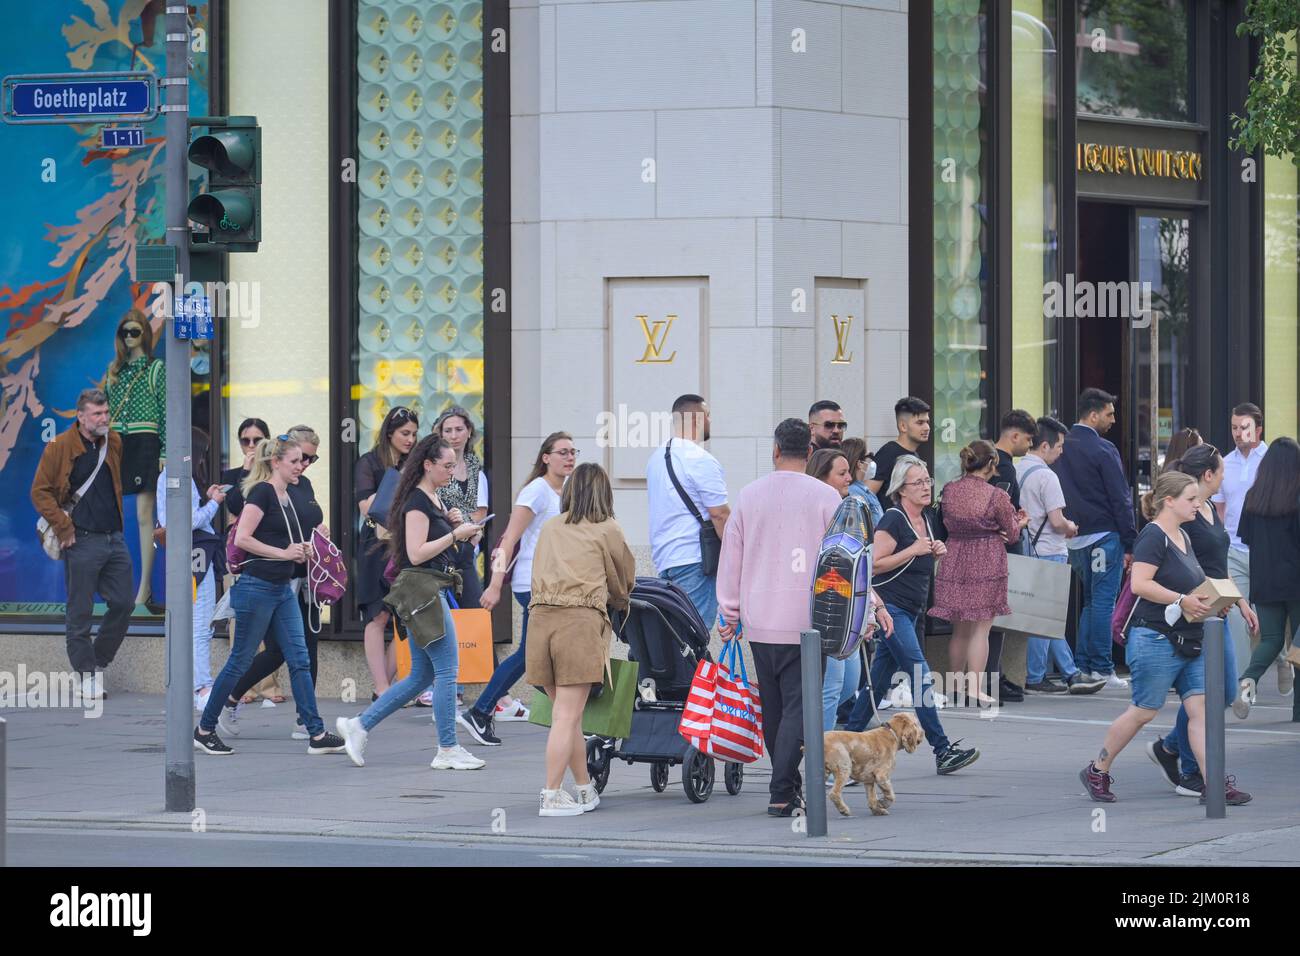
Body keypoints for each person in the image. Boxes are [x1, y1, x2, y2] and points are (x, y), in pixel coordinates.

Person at [1080, 471, 1251, 806]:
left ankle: (1213, 783)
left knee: (1201, 710)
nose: (1197, 504)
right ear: (1169, 501)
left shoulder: (1183, 536)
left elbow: (1194, 582)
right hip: (1155, 637)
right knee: (1144, 711)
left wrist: (1213, 602)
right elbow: (1140, 584)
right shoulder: (1153, 536)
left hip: (1190, 636)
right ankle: (1097, 769)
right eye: (1190, 499)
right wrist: (1181, 600)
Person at [717, 419, 846, 817]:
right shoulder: (826, 496)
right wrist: (864, 607)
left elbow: (731, 556)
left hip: (759, 616)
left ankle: (785, 786)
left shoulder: (749, 495)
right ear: (810, 453)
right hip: (809, 619)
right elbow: (843, 557)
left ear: (775, 451)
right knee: (799, 707)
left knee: (773, 706)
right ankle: (781, 789)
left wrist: (730, 610)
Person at [335, 436, 487, 770]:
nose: (452, 470)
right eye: (446, 465)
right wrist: (452, 534)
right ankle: (447, 748)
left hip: (425, 589)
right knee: (447, 669)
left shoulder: (430, 498)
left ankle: (359, 725)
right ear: (427, 464)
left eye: (453, 465)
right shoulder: (417, 502)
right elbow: (417, 553)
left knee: (421, 675)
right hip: (423, 589)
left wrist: (458, 528)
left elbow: (438, 548)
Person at [194, 436, 345, 756]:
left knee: (300, 658)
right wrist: (284, 552)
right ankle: (205, 729)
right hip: (257, 587)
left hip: (281, 589)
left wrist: (304, 548)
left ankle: (315, 732)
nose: (300, 467)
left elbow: (287, 538)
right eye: (294, 461)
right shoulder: (261, 492)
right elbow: (244, 538)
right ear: (276, 462)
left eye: (302, 461)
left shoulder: (288, 495)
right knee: (240, 660)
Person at [844, 456, 980, 774]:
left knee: (877, 684)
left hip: (912, 609)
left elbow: (915, 561)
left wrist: (934, 551)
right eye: (917, 482)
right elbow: (873, 564)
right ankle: (942, 750)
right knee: (920, 675)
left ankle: (844, 741)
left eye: (927, 481)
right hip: (890, 609)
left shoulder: (926, 517)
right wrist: (913, 550)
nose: (925, 487)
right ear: (901, 489)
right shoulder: (893, 519)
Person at [1146, 444, 1259, 795]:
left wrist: (1239, 600)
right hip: (1198, 613)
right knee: (1205, 694)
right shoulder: (1187, 514)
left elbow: (1217, 566)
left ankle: (1170, 749)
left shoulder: (1208, 508)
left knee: (1221, 690)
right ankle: (1192, 772)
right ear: (1208, 475)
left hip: (1218, 608)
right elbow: (1181, 568)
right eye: (1222, 471)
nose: (1225, 476)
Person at [525, 462, 637, 816]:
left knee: (566, 715)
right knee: (567, 716)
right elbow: (622, 582)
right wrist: (619, 603)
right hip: (579, 624)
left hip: (541, 622)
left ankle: (585, 789)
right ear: (605, 492)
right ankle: (552, 794)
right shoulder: (608, 529)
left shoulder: (550, 527)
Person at [458, 432, 577, 746]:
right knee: (529, 653)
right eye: (562, 452)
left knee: (538, 653)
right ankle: (482, 711)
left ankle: (562, 716)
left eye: (573, 452)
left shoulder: (566, 491)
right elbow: (508, 540)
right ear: (545, 457)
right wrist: (495, 585)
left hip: (554, 584)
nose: (569, 457)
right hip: (532, 583)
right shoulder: (536, 491)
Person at [224, 425, 329, 737]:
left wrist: (319, 532)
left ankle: (306, 721)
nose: (305, 465)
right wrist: (247, 468)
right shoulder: (265, 487)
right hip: (268, 579)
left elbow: (307, 520)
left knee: (305, 649)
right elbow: (237, 510)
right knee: (271, 652)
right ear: (284, 458)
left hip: (301, 577)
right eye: (301, 458)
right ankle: (223, 703)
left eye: (311, 459)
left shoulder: (303, 484)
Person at [30, 388, 133, 700]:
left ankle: (97, 660)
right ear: (81, 416)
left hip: (114, 537)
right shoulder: (60, 446)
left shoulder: (113, 441)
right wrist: (63, 527)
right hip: (81, 538)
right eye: (97, 414)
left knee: (124, 603)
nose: (104, 419)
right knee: (80, 611)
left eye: (106, 413)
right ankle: (86, 675)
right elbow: (40, 492)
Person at [1053, 388, 1136, 689]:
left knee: (1090, 601)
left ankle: (1086, 665)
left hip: (1074, 538)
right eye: (1109, 413)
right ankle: (1101, 667)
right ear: (1093, 414)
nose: (1113, 420)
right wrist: (1130, 539)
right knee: (1102, 601)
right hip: (1104, 535)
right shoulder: (1103, 449)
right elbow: (1121, 499)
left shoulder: (1061, 447)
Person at [930, 440, 1022, 706]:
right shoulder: (996, 495)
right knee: (981, 629)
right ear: (992, 463)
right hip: (986, 557)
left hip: (955, 554)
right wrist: (1019, 521)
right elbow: (1012, 533)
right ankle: (975, 689)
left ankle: (955, 686)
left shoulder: (949, 490)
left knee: (960, 629)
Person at [1016, 417, 1104, 695]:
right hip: (1050, 551)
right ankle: (1039, 675)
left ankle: (1069, 673)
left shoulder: (1018, 470)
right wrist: (1071, 527)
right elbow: (1056, 520)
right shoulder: (1047, 476)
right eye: (1060, 446)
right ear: (1045, 445)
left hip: (1028, 549)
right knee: (1045, 617)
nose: (1062, 452)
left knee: (1043, 616)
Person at [430, 406, 500, 712]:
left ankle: (494, 692)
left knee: (473, 616)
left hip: (465, 551)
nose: (454, 435)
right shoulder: (432, 470)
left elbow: (480, 515)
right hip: (438, 549)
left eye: (459, 429)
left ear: (469, 432)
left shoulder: (475, 469)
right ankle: (449, 689)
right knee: (444, 620)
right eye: (448, 430)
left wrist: (470, 531)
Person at [156, 428, 228, 713]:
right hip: (197, 555)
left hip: (188, 556)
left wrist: (207, 497)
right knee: (201, 621)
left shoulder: (169, 477)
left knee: (194, 620)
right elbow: (188, 520)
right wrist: (214, 503)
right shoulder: (178, 478)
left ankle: (193, 684)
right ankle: (202, 685)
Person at [1212, 403, 1283, 693]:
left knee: (1268, 619)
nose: (1238, 433)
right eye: (1234, 427)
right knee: (1236, 616)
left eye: (1245, 427)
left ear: (1258, 430)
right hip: (1233, 550)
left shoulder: (1272, 461)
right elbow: (1220, 510)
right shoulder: (1224, 463)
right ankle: (1244, 683)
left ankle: (1281, 659)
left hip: (1267, 552)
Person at [646, 394, 729, 630]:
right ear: (697, 419)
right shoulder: (701, 459)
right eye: (709, 416)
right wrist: (739, 557)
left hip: (666, 561)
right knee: (693, 638)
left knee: (675, 639)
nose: (711, 421)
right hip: (696, 561)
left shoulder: (656, 459)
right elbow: (720, 514)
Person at [1232, 437, 1300, 722]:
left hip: (1264, 579)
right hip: (1295, 581)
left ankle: (1248, 680)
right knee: (1297, 646)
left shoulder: (1254, 496)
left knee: (1270, 639)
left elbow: (1246, 538)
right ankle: (1298, 711)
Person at [354, 406, 420, 698]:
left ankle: (386, 686)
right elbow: (366, 506)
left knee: (403, 617)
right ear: (389, 432)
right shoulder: (369, 462)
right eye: (405, 433)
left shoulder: (416, 465)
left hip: (405, 544)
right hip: (375, 545)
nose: (410, 439)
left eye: (414, 434)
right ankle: (381, 686)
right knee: (377, 616)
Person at [103, 310, 165, 606]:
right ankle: (111, 584)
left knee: (144, 515)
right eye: (124, 332)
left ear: (144, 333)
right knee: (109, 513)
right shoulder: (114, 371)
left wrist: (164, 452)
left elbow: (165, 412)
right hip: (117, 442)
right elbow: (104, 414)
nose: (129, 337)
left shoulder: (156, 368)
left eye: (134, 331)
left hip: (145, 442)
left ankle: (145, 587)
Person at [808, 448, 867, 733]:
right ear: (822, 478)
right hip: (830, 611)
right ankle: (822, 761)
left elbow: (858, 566)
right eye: (842, 473)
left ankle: (812, 740)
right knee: (831, 687)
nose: (849, 479)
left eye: (849, 472)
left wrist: (871, 609)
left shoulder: (848, 508)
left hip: (849, 611)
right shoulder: (819, 507)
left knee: (847, 684)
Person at [988, 409, 1036, 702]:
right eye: (1028, 439)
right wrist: (1017, 523)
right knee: (995, 619)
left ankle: (993, 675)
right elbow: (998, 512)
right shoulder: (1003, 468)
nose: (1029, 446)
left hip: (988, 549)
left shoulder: (992, 464)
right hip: (1001, 551)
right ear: (1014, 435)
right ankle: (993, 677)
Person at [867, 397, 931, 513]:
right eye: (920, 423)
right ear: (903, 426)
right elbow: (866, 495)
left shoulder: (914, 455)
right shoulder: (888, 453)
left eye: (927, 422)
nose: (926, 427)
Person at [221, 417, 270, 521]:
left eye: (257, 440)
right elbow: (235, 508)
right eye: (245, 441)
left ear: (267, 441)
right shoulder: (230, 476)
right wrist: (246, 471)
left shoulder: (275, 472)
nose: (251, 445)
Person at [841, 437, 885, 531]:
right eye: (870, 456)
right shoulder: (853, 492)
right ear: (859, 463)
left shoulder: (863, 489)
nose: (873, 461)